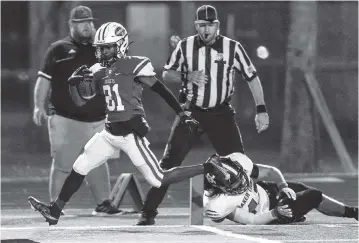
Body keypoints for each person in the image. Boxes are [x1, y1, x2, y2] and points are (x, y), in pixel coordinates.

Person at [28, 21, 229, 226]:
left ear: (120, 45)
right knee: (80, 166)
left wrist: (182, 113)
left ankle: (209, 166)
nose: (103, 52)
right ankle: (55, 210)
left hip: (129, 135)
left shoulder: (134, 65)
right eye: (101, 48)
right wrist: (73, 85)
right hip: (108, 134)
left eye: (108, 47)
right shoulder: (98, 70)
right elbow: (81, 102)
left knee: (158, 179)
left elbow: (160, 89)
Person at [136, 4, 269, 225]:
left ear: (217, 25)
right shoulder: (185, 46)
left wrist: (261, 109)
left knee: (241, 164)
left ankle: (264, 204)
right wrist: (188, 76)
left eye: (209, 25)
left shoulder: (232, 48)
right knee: (169, 163)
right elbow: (167, 73)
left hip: (221, 114)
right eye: (201, 26)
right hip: (191, 112)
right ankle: (148, 212)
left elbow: (251, 76)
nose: (205, 30)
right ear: (195, 26)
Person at [32, 5, 121, 216]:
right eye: (82, 23)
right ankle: (55, 205)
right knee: (63, 163)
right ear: (72, 25)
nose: (87, 27)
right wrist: (38, 105)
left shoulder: (102, 49)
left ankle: (104, 203)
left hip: (98, 118)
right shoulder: (58, 49)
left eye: (89, 22)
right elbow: (43, 80)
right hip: (66, 117)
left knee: (99, 162)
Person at [203, 153, 358, 225]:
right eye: (235, 184)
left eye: (240, 177)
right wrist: (275, 213)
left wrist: (283, 186)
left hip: (266, 192)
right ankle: (354, 212)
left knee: (299, 188)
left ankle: (353, 211)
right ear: (220, 187)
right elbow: (252, 220)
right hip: (267, 215)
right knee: (313, 195)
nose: (241, 183)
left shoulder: (238, 162)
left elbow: (271, 172)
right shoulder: (218, 203)